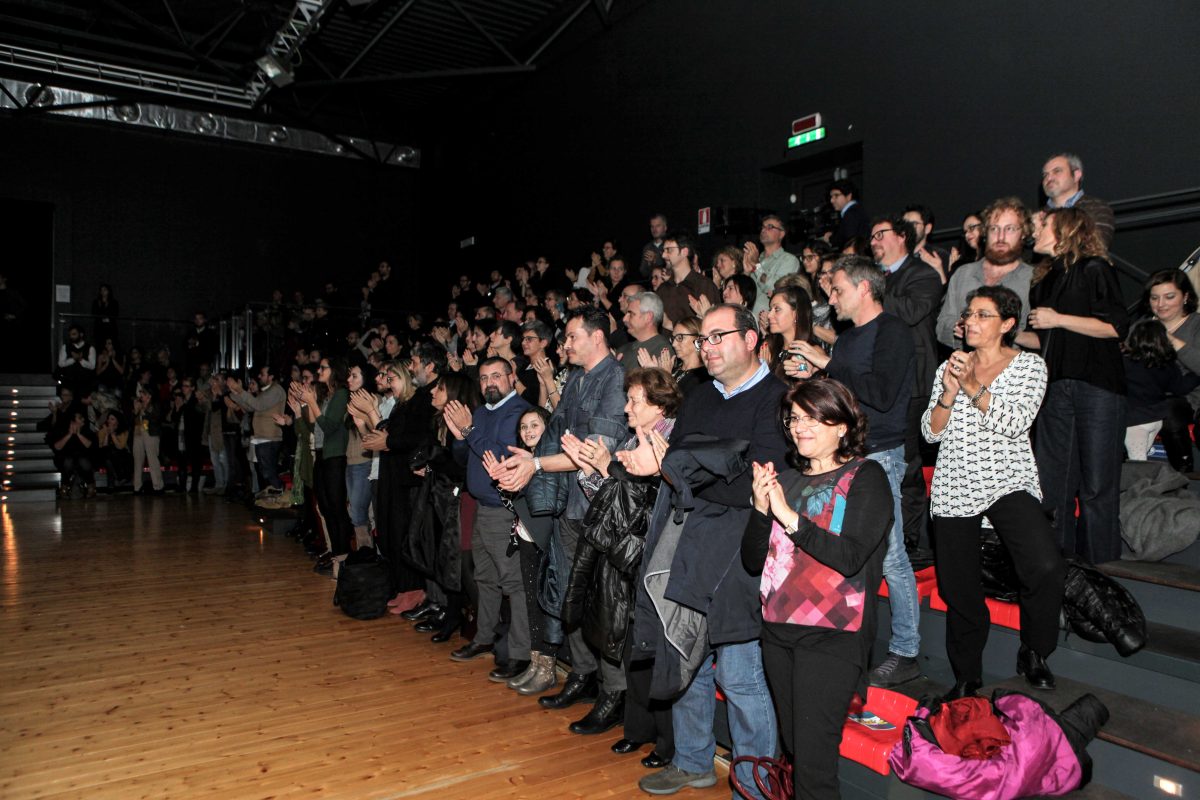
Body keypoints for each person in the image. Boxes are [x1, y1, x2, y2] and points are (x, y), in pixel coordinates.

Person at [626, 303, 786, 798]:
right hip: (691, 539)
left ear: (752, 339)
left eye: (719, 336)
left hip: (744, 545)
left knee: (739, 676)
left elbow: (756, 485)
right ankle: (692, 761)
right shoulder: (699, 395)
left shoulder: (777, 399)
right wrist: (698, 467)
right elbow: (682, 464)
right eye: (703, 339)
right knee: (685, 654)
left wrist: (684, 471)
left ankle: (755, 785)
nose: (707, 347)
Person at [742, 378, 891, 800]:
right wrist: (760, 510)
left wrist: (788, 516)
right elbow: (753, 561)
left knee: (814, 762)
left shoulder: (866, 476)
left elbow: (850, 557)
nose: (799, 427)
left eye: (812, 418)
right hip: (777, 631)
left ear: (842, 425)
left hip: (833, 636)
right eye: (794, 419)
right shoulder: (786, 480)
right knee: (795, 747)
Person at [923, 285, 1065, 699]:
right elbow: (930, 433)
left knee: (1044, 565)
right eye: (968, 313)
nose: (970, 321)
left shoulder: (1029, 366)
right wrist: (948, 393)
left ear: (1007, 324)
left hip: (1007, 479)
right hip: (955, 483)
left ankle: (1035, 651)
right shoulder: (949, 366)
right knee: (958, 589)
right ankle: (967, 677)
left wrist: (972, 387)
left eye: (982, 314)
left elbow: (1015, 423)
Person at [491, 306, 629, 727]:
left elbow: (594, 451)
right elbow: (553, 436)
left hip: (601, 511)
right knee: (570, 594)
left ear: (597, 337)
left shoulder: (615, 379)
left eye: (571, 336)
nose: (565, 344)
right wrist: (526, 461)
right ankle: (582, 674)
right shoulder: (576, 381)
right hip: (571, 507)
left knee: (603, 603)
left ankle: (614, 691)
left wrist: (535, 465)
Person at [790, 256, 922, 689]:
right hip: (846, 453)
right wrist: (812, 374)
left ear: (865, 288)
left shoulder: (893, 331)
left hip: (881, 455)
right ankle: (842, 636)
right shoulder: (847, 339)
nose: (832, 298)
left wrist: (827, 364)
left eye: (838, 289)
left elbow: (881, 394)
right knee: (845, 551)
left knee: (892, 556)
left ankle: (907, 651)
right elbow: (845, 394)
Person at [563, 367, 679, 760]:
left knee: (649, 647)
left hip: (652, 555)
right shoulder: (634, 438)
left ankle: (662, 739)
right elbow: (610, 499)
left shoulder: (670, 439)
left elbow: (652, 499)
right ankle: (637, 726)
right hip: (622, 554)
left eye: (634, 401)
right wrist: (592, 470)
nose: (626, 408)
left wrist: (607, 467)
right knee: (628, 640)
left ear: (659, 405)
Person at [1028, 207, 1128, 564]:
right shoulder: (1045, 280)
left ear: (1065, 231)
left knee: (1097, 485)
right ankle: (1055, 566)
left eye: (1044, 225)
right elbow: (1045, 338)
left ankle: (1102, 569)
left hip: (1096, 386)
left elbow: (1115, 327)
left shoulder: (1094, 268)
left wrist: (1058, 318)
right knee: (1052, 483)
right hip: (1056, 386)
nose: (1035, 231)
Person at [443, 357, 533, 678]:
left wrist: (468, 431)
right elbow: (465, 457)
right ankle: (484, 637)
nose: (489, 383)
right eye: (483, 378)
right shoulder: (480, 413)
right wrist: (459, 437)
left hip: (505, 508)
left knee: (513, 583)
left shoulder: (519, 412)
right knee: (484, 577)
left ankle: (520, 654)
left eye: (496, 376)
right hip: (482, 505)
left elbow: (499, 456)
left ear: (512, 377)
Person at [936, 198, 1035, 350]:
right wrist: (961, 327)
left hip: (1013, 363)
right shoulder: (963, 274)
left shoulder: (1033, 278)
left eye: (1009, 229)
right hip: (966, 361)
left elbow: (1041, 339)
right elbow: (941, 326)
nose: (1001, 237)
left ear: (1023, 233)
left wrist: (1000, 331)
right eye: (994, 229)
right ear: (985, 232)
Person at [1138, 269, 1200, 472]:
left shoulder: (1196, 325)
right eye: (1154, 298)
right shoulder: (1141, 327)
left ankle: (1183, 473)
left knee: (1169, 410)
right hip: (1150, 398)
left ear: (1186, 297)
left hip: (1192, 399)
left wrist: (1170, 340)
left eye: (1169, 297)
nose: (1161, 304)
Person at [298, 357, 355, 573]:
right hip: (322, 455)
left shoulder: (341, 394)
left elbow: (330, 427)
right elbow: (314, 427)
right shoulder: (327, 395)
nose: (319, 370)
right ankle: (336, 556)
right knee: (325, 507)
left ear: (334, 371)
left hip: (335, 456)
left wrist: (312, 403)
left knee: (336, 508)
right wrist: (307, 403)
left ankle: (343, 559)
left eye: (323, 367)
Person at [1122, 319, 1198, 461]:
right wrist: (1195, 374)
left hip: (1133, 421)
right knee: (1142, 460)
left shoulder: (1124, 363)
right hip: (1156, 419)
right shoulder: (1166, 364)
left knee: (1137, 464)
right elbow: (1180, 388)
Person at [1041, 152, 1115, 248]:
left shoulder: (1097, 209)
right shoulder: (1038, 216)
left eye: (1057, 171)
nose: (1049, 178)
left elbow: (1096, 246)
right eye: (1045, 175)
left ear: (1076, 175)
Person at [743, 214, 801, 315]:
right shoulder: (756, 258)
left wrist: (756, 265)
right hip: (747, 317)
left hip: (769, 320)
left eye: (770, 227)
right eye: (763, 227)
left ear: (781, 234)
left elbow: (775, 289)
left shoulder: (789, 260)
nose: (763, 230)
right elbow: (743, 293)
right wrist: (746, 273)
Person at [52, 410, 98, 498]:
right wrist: (69, 434)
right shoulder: (63, 430)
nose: (83, 419)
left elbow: (89, 445)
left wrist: (79, 434)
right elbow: (57, 447)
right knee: (68, 461)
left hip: (84, 458)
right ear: (72, 422)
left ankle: (91, 486)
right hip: (66, 458)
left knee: (83, 461)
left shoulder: (87, 430)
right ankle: (64, 486)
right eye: (80, 418)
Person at [130, 383, 164, 494]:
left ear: (149, 395)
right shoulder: (138, 403)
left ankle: (158, 486)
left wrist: (144, 409)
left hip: (151, 433)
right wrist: (135, 411)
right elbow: (132, 419)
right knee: (137, 459)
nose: (140, 395)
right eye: (140, 392)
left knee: (152, 459)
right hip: (138, 432)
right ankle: (137, 487)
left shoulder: (155, 404)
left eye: (143, 393)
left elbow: (156, 418)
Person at [826, 179, 870, 249]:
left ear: (849, 196)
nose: (832, 200)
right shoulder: (857, 211)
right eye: (831, 197)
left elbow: (849, 242)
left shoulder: (851, 214)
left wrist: (830, 239)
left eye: (836, 195)